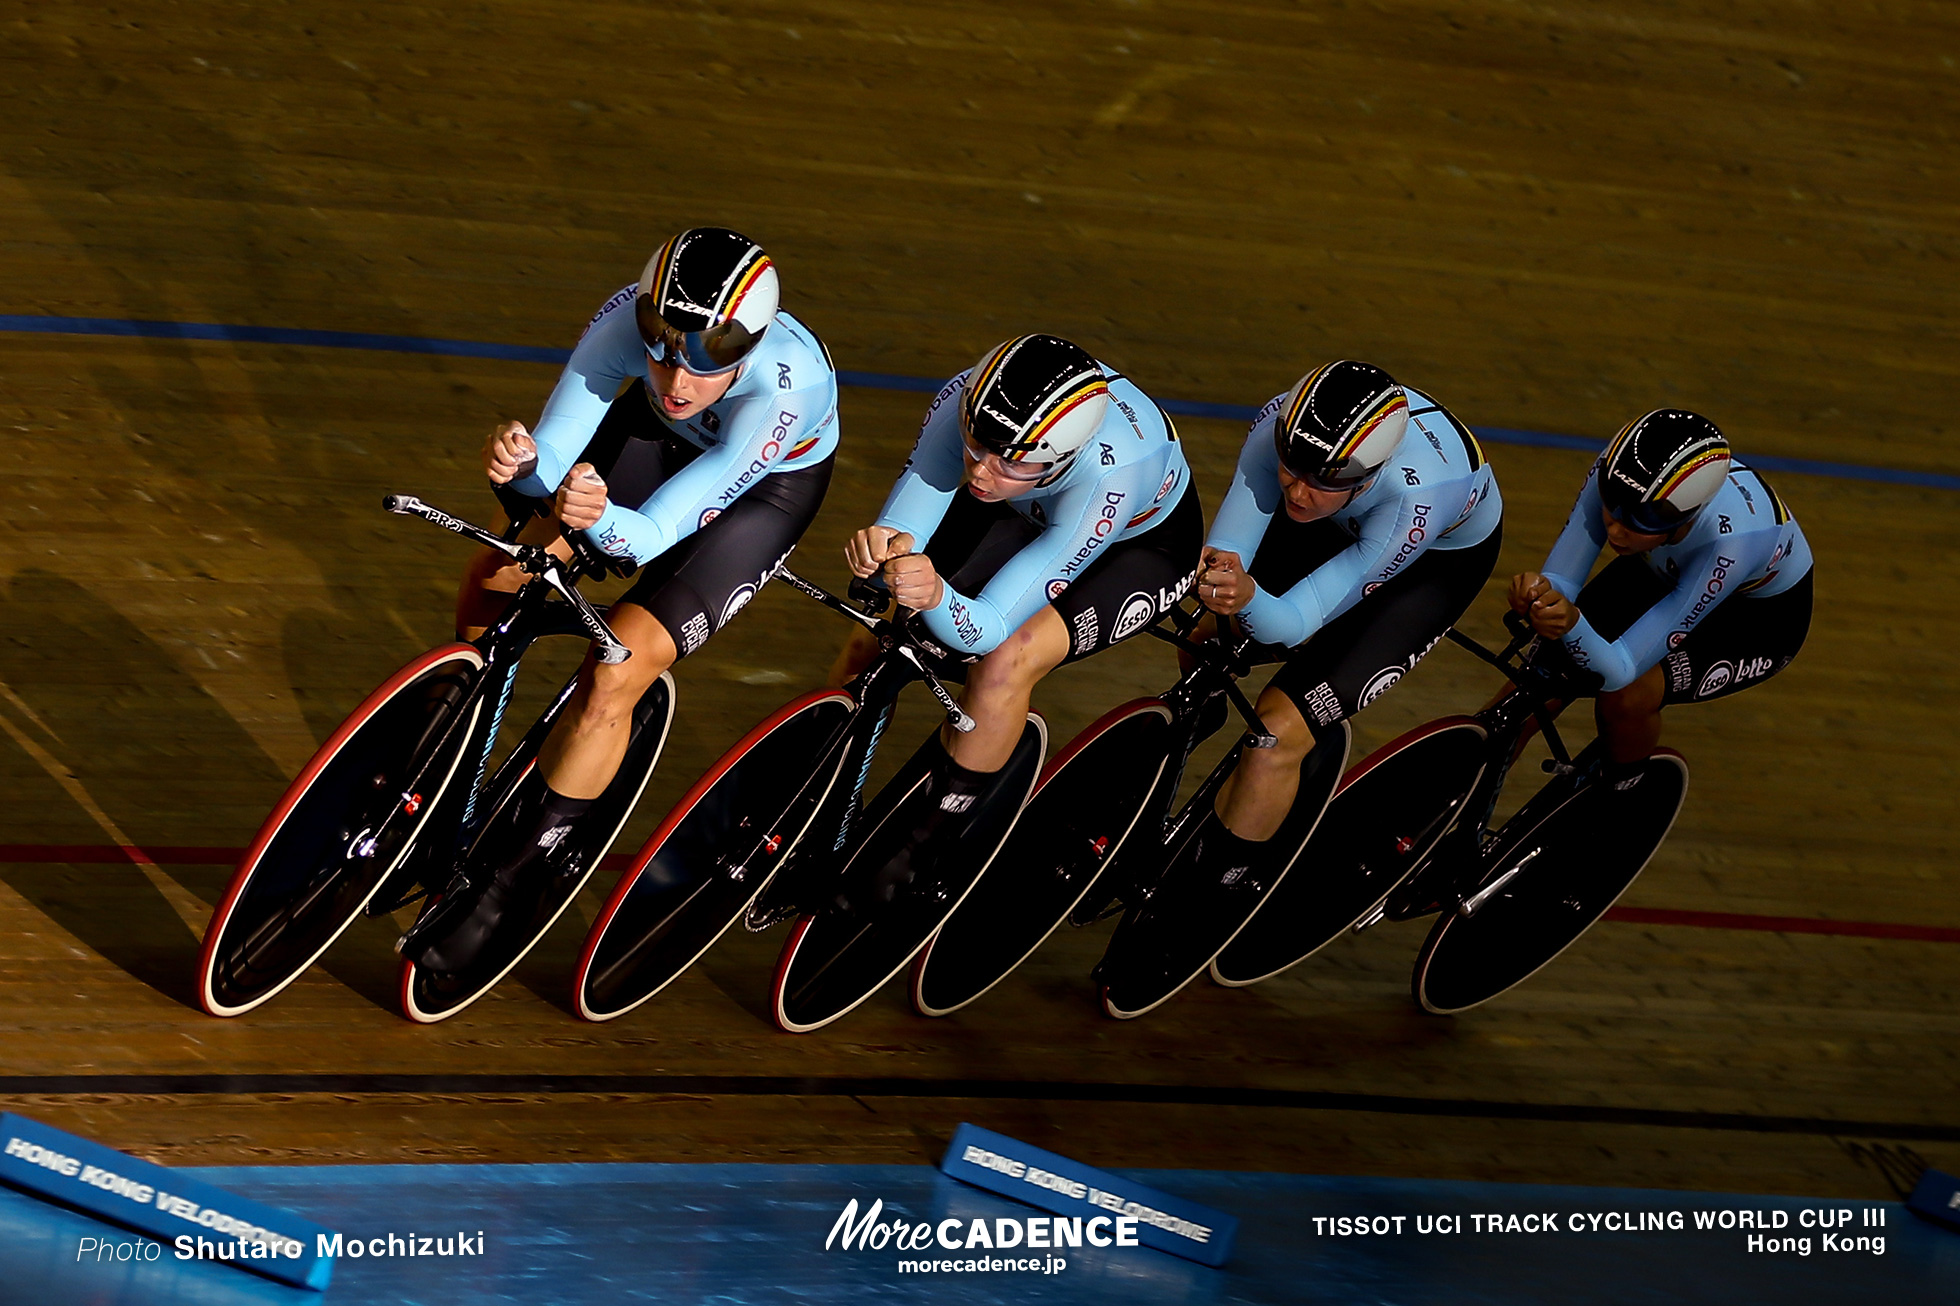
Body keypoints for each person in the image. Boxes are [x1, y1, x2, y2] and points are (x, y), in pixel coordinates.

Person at [403, 226, 839, 972]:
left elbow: (657, 532)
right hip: (653, 444)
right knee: (499, 575)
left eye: (707, 359)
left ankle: (515, 881)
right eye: (662, 344)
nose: (677, 375)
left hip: (755, 494)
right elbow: (554, 456)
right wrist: (519, 464)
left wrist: (593, 513)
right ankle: (439, 765)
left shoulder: (783, 390)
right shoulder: (623, 327)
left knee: (614, 673)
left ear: (750, 347)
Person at [837, 333, 1201, 903]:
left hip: (1138, 545)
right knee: (876, 631)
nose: (981, 471)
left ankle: (927, 843)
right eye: (975, 447)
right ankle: (827, 785)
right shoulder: (976, 401)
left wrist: (936, 597)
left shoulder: (1110, 477)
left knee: (1006, 664)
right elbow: (918, 504)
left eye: (1007, 460)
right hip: (1028, 504)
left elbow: (989, 625)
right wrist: (889, 545)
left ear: (1058, 455)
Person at [1193, 360, 1503, 885]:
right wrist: (1227, 587)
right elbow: (1226, 558)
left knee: (1278, 729)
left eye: (1323, 479)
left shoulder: (1416, 497)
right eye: (1291, 467)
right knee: (1207, 633)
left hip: (1431, 562)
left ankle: (1212, 895)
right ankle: (1197, 718)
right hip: (1342, 518)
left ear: (1370, 473)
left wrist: (1249, 598)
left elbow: (1289, 625)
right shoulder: (1281, 427)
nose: (1296, 491)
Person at [1509, 408, 1813, 785]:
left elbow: (1618, 670)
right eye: (1611, 506)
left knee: (1628, 697)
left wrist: (1570, 623)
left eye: (1640, 520)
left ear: (1688, 515)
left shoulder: (1733, 543)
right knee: (1528, 687)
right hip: (1663, 567)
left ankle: (1617, 799)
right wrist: (1543, 595)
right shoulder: (1622, 470)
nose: (1617, 531)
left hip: (1753, 618)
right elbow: (1562, 579)